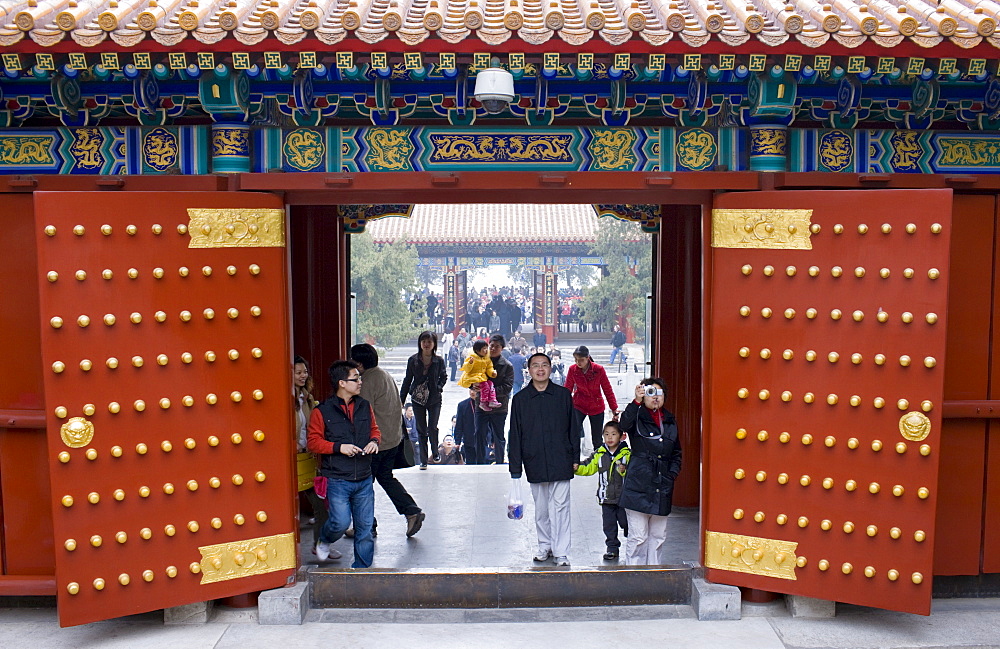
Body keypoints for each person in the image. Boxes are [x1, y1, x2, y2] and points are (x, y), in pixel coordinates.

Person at [307, 360, 380, 568]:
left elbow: (375, 430)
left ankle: (361, 571)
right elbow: (313, 442)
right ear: (341, 383)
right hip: (337, 478)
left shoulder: (365, 406)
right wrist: (339, 447)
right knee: (340, 523)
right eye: (355, 378)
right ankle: (325, 539)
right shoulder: (321, 411)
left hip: (364, 476)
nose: (360, 382)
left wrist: (374, 441)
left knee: (365, 529)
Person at [509, 352, 577, 567]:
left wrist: (575, 456)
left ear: (550, 368)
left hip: (561, 457)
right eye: (535, 365)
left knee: (561, 507)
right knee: (542, 509)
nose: (540, 369)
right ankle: (544, 545)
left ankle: (561, 551)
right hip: (534, 458)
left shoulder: (563, 395)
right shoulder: (520, 399)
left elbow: (573, 429)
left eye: (544, 365)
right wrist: (515, 466)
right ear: (528, 370)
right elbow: (515, 434)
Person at [350, 344, 425, 538]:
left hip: (375, 443)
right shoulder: (384, 375)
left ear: (359, 363)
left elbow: (363, 416)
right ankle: (411, 511)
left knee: (363, 485)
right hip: (392, 439)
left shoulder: (365, 382)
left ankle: (366, 526)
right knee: (385, 477)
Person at [618, 378, 682, 566]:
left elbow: (677, 452)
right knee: (638, 537)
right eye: (651, 393)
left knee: (658, 536)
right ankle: (634, 577)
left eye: (659, 393)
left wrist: (672, 474)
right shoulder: (636, 416)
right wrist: (635, 401)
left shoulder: (670, 421)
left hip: (662, 483)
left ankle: (654, 574)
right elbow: (623, 425)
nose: (655, 398)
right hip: (639, 482)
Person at [294, 356, 340, 560]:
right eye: (298, 372)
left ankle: (321, 545)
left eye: (305, 371)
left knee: (322, 504)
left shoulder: (307, 398)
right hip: (290, 461)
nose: (303, 376)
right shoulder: (283, 399)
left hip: (307, 459)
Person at [574, 421, 631, 560]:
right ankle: (612, 548)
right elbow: (589, 467)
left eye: (613, 434)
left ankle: (632, 539)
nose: (610, 437)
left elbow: (633, 473)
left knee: (626, 522)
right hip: (606, 498)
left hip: (624, 498)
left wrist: (625, 471)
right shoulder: (599, 453)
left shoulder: (627, 454)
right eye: (606, 434)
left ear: (621, 436)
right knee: (609, 525)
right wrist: (576, 468)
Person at [399, 331, 448, 469]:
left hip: (434, 398)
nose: (426, 344)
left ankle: (435, 452)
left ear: (434, 344)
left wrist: (438, 387)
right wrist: (401, 399)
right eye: (424, 341)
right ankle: (423, 460)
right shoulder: (413, 360)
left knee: (432, 426)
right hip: (418, 398)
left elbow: (443, 377)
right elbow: (407, 380)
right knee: (421, 428)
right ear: (420, 343)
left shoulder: (439, 361)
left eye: (429, 342)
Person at [564, 345, 619, 455]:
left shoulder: (598, 369)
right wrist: (562, 407)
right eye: (576, 360)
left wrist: (614, 409)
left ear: (588, 357)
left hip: (596, 405)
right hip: (579, 404)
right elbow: (567, 389)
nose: (578, 363)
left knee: (597, 438)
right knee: (574, 434)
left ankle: (599, 462)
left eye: (581, 360)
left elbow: (607, 389)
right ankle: (574, 460)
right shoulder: (572, 369)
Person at [470, 335, 515, 465]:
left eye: (497, 346)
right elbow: (471, 379)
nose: (493, 348)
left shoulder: (507, 366)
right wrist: (474, 385)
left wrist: (490, 391)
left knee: (498, 436)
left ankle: (499, 462)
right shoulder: (480, 362)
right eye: (491, 345)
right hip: (481, 405)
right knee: (479, 434)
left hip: (499, 407)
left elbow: (507, 387)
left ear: (502, 348)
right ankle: (480, 463)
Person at [458, 340, 501, 409]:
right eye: (484, 349)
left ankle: (492, 400)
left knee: (490, 384)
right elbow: (466, 369)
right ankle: (483, 402)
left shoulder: (487, 358)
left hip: (481, 378)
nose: (486, 350)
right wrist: (470, 363)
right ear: (477, 350)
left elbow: (489, 368)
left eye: (487, 348)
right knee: (485, 385)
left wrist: (492, 373)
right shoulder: (471, 357)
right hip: (472, 377)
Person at [454, 387, 477, 461]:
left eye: (475, 390)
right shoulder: (462, 405)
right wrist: (457, 441)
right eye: (470, 390)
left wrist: (492, 439)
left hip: (484, 440)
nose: (472, 392)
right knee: (470, 463)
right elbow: (459, 424)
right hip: (468, 440)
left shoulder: (486, 403)